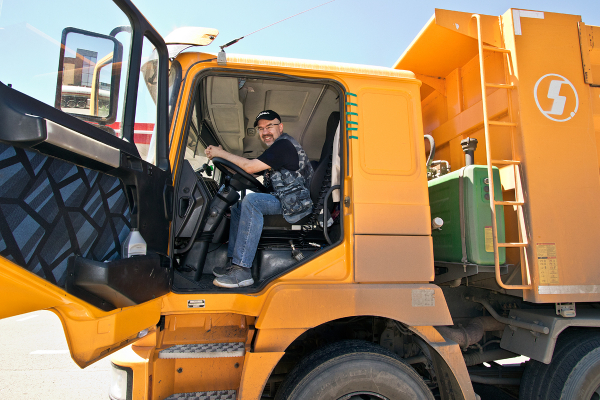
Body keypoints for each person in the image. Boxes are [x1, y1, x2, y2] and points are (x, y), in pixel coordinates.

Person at [204, 110, 314, 288]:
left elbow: (249, 167)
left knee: (252, 201)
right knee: (239, 207)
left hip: (297, 206)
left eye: (269, 126)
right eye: (261, 129)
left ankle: (242, 271)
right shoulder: (274, 152)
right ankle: (234, 264)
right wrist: (222, 157)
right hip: (286, 200)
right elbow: (248, 169)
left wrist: (221, 153)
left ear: (280, 127)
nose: (265, 132)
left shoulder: (284, 145)